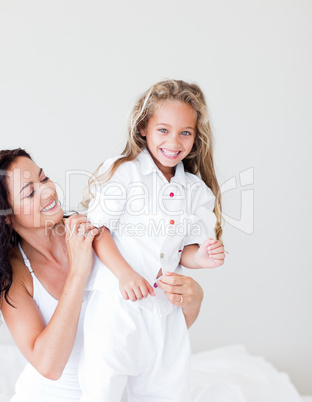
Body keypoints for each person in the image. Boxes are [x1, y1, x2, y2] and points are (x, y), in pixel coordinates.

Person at [0, 148, 205, 402]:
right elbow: (49, 365)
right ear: (5, 217)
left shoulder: (99, 232)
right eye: (30, 193)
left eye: (44, 178)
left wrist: (193, 299)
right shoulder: (14, 276)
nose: (48, 191)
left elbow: (157, 327)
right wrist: (78, 273)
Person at [80, 79, 225, 402]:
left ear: (195, 137)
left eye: (185, 132)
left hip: (164, 312)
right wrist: (125, 274)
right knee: (103, 389)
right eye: (163, 130)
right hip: (117, 306)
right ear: (144, 128)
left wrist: (202, 257)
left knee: (165, 390)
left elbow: (185, 251)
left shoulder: (196, 192)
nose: (174, 141)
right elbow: (97, 230)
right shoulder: (123, 173)